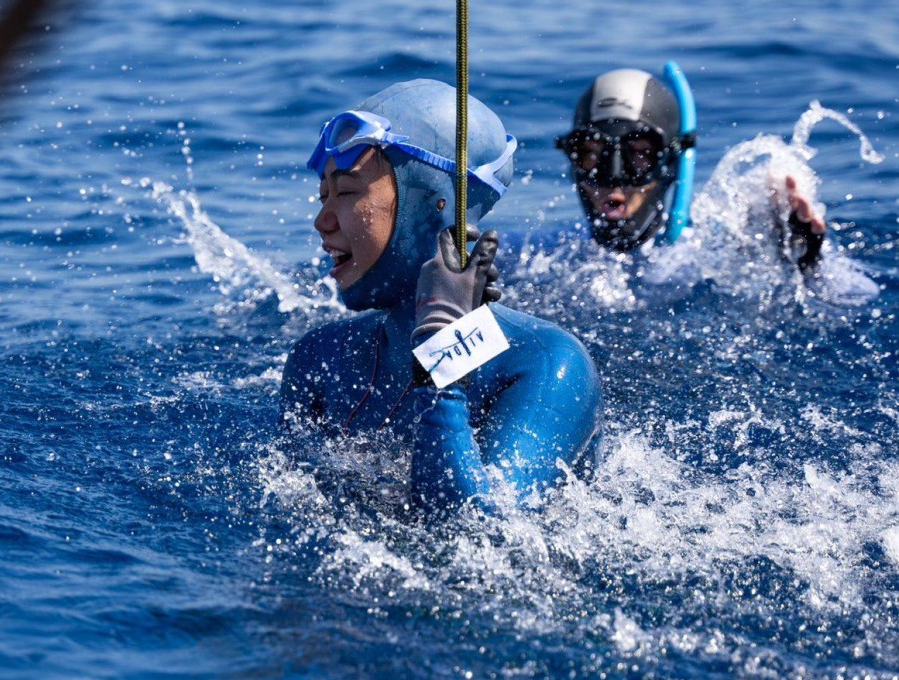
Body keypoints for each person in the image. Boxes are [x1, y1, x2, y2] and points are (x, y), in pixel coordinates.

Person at [279, 79, 602, 515]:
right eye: (323, 196)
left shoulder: (548, 364)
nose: (322, 221)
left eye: (348, 193)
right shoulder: (318, 359)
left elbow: (478, 538)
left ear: (437, 205)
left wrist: (444, 359)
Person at [556, 64, 826, 270]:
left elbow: (854, 299)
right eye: (591, 154)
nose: (613, 176)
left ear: (669, 163)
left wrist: (802, 263)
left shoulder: (708, 257)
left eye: (638, 155)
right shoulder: (542, 254)